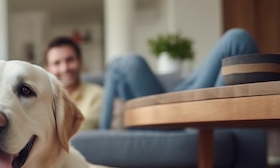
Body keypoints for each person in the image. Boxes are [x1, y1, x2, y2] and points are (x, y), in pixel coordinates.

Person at [100, 28, 260, 129]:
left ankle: (216, 117)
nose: (72, 68)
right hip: (160, 113)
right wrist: (103, 133)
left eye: (73, 59)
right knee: (127, 61)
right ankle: (212, 119)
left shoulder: (90, 92)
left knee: (237, 38)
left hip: (183, 99)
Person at [44, 36, 104, 131]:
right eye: (57, 63)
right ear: (47, 69)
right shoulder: (42, 98)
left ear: (80, 62)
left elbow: (82, 129)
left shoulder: (98, 94)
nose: (65, 68)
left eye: (70, 60)